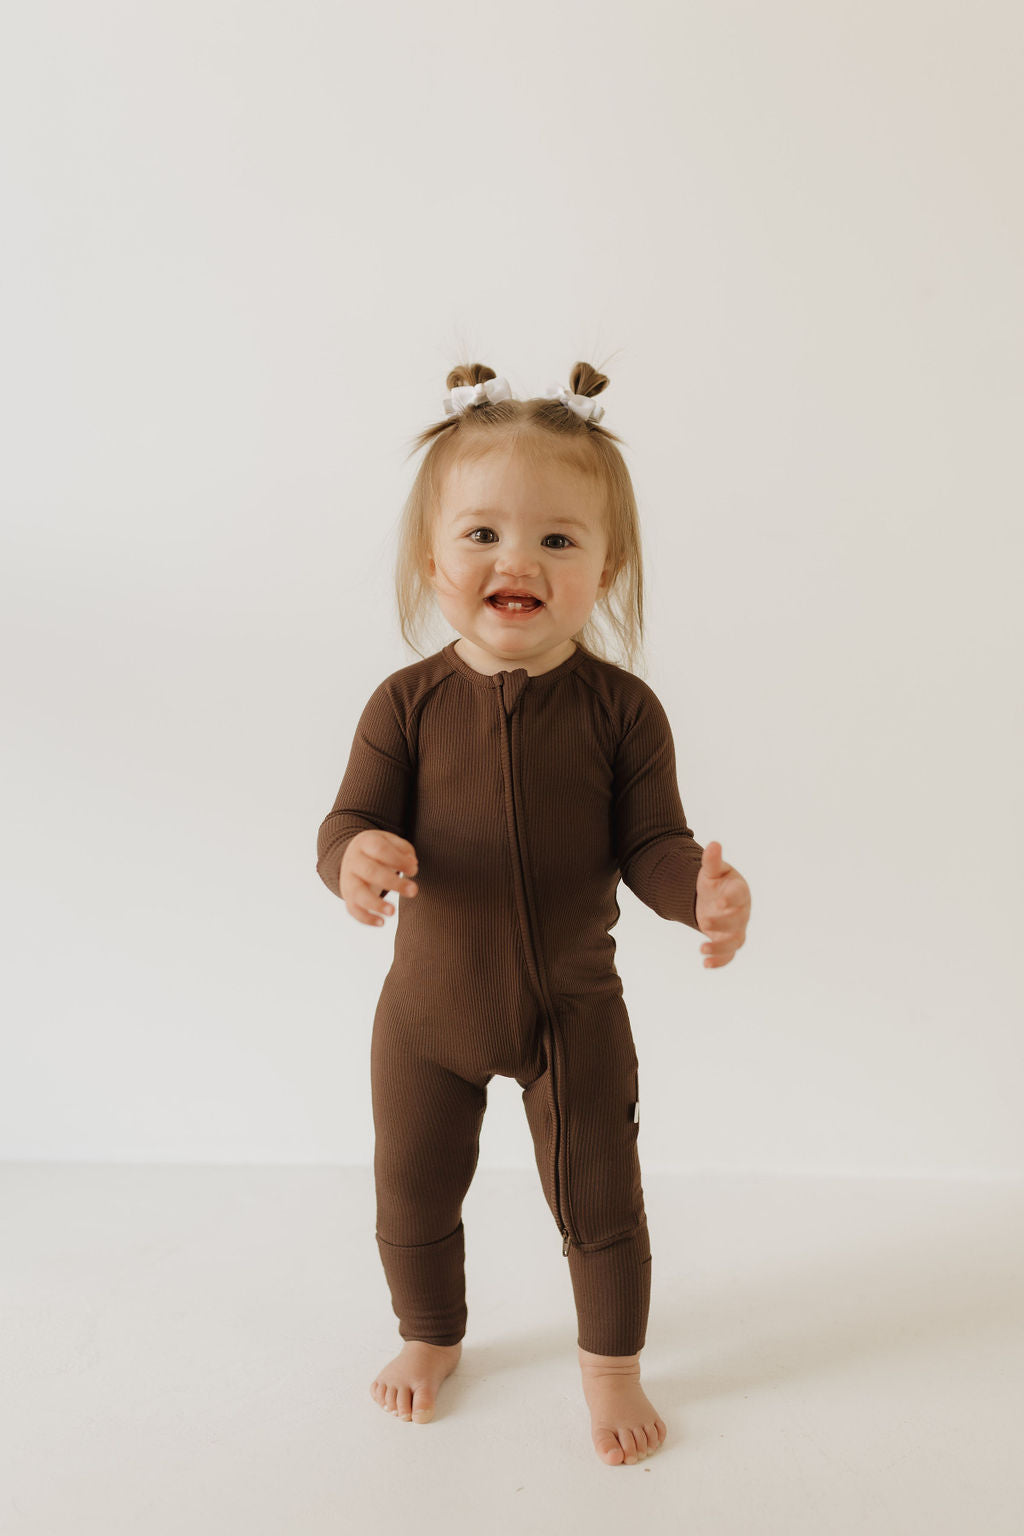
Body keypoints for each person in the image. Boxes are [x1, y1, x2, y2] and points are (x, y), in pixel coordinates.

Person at [315, 361, 752, 1466]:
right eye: (482, 536)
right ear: (433, 559)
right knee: (411, 1187)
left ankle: (611, 1368)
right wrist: (354, 859)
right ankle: (430, 1335)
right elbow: (346, 821)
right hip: (427, 1018)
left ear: (606, 567)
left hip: (573, 1011)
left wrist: (694, 885)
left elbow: (650, 842)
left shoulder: (621, 712)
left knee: (602, 1198)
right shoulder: (404, 705)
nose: (518, 561)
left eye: (558, 540)